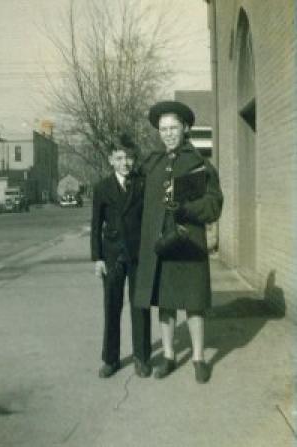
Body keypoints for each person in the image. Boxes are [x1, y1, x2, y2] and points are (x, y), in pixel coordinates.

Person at [135, 100, 223, 383]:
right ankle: (170, 355)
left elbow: (214, 205)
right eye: (164, 129)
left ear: (185, 128)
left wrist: (187, 210)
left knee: (193, 302)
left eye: (174, 128)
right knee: (166, 302)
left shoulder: (199, 163)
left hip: (189, 243)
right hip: (162, 244)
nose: (169, 133)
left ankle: (198, 358)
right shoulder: (152, 163)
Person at [91, 140, 151, 378]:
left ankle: (142, 357)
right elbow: (96, 225)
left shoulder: (142, 184)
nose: (124, 163)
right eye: (118, 158)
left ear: (134, 159)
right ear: (110, 160)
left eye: (128, 158)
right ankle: (111, 359)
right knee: (112, 306)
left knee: (140, 306)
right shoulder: (102, 187)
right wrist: (98, 258)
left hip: (138, 254)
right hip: (112, 255)